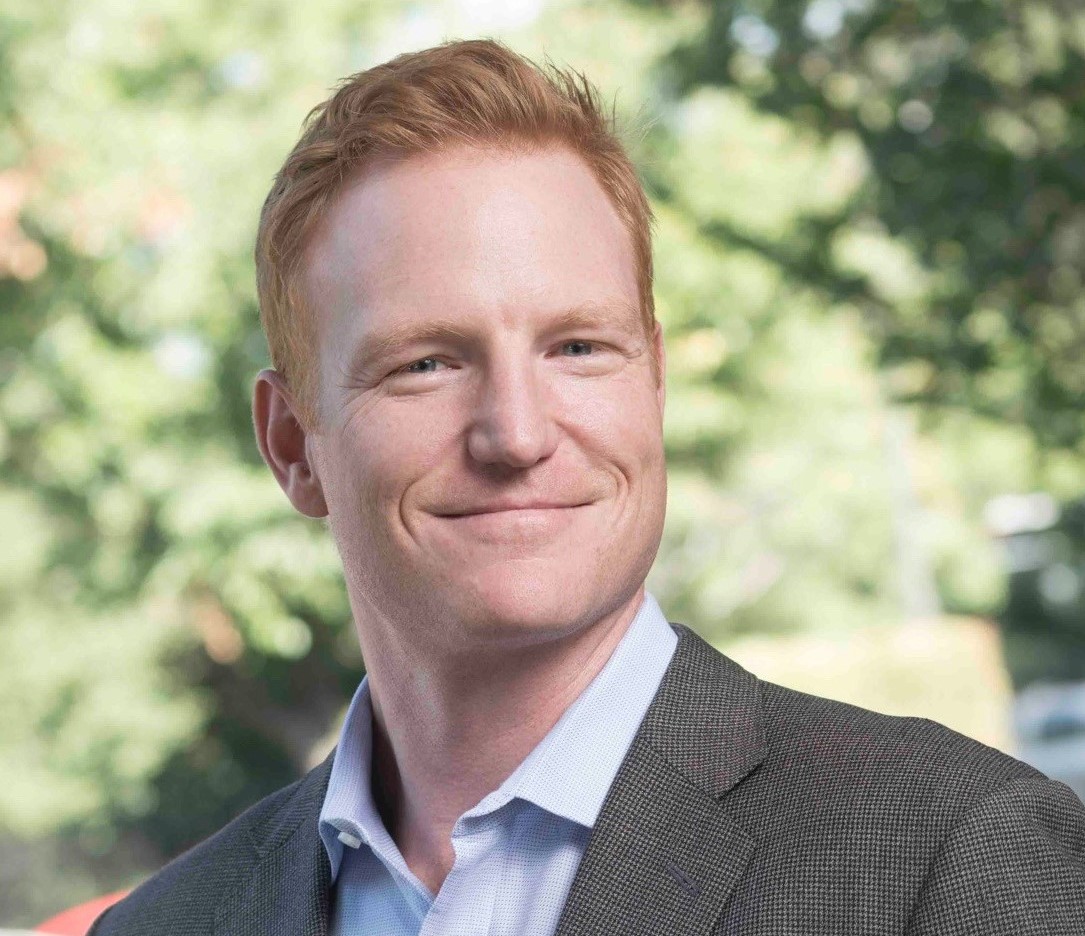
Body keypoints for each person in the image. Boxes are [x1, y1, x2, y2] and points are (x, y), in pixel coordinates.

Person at [91, 39, 1085, 936]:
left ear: (653, 383)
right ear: (290, 445)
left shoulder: (953, 860)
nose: (516, 434)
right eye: (425, 364)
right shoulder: (163, 928)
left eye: (576, 347)